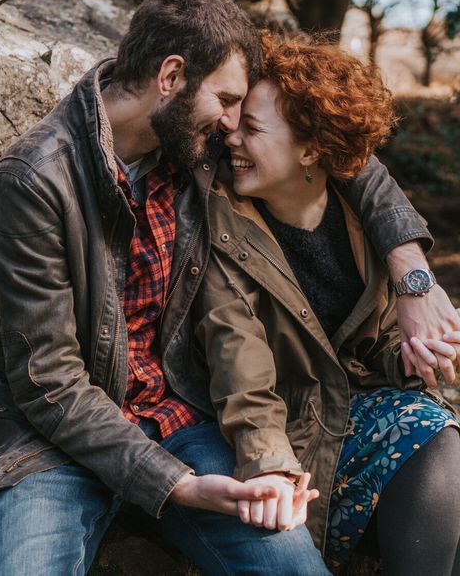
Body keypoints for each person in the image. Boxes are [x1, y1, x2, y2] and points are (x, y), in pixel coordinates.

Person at [0, 0, 460, 575]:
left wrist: (412, 275)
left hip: (177, 410)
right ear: (171, 78)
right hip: (50, 441)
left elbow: (337, 144)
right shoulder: (35, 179)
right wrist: (180, 487)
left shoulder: (193, 137)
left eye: (241, 111)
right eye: (225, 102)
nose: (232, 123)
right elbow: (51, 384)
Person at [197, 35, 460, 574]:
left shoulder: (356, 215)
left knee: (440, 442)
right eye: (235, 122)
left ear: (312, 149)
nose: (231, 139)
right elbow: (237, 358)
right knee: (435, 438)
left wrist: (413, 353)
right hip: (289, 429)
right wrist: (267, 464)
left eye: (253, 128)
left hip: (358, 408)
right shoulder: (222, 223)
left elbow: (374, 342)